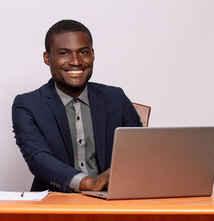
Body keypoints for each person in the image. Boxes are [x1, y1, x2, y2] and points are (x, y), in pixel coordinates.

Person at [12, 20, 142, 193]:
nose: (76, 61)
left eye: (83, 52)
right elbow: (38, 158)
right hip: (55, 203)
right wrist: (87, 183)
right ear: (47, 58)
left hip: (112, 200)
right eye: (64, 53)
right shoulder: (28, 105)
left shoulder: (116, 97)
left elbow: (138, 150)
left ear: (93, 55)